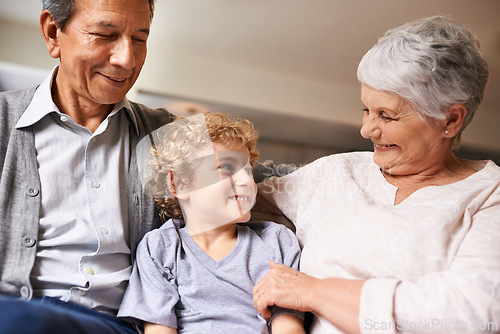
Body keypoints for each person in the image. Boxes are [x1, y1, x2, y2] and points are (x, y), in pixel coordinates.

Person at [252, 16, 500, 333]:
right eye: (366, 110)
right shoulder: (334, 171)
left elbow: (474, 312)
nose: (367, 129)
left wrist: (312, 292)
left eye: (387, 114)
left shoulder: (489, 195)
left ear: (450, 119)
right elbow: (228, 196)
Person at [0, 0, 176, 332]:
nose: (127, 59)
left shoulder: (166, 135)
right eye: (104, 34)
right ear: (53, 33)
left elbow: (262, 182)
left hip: (119, 324)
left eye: (140, 38)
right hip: (16, 311)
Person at [118, 112, 305, 333]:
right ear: (180, 184)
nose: (247, 181)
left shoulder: (277, 241)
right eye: (226, 168)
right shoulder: (159, 247)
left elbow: (289, 327)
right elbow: (158, 329)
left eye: (248, 171)